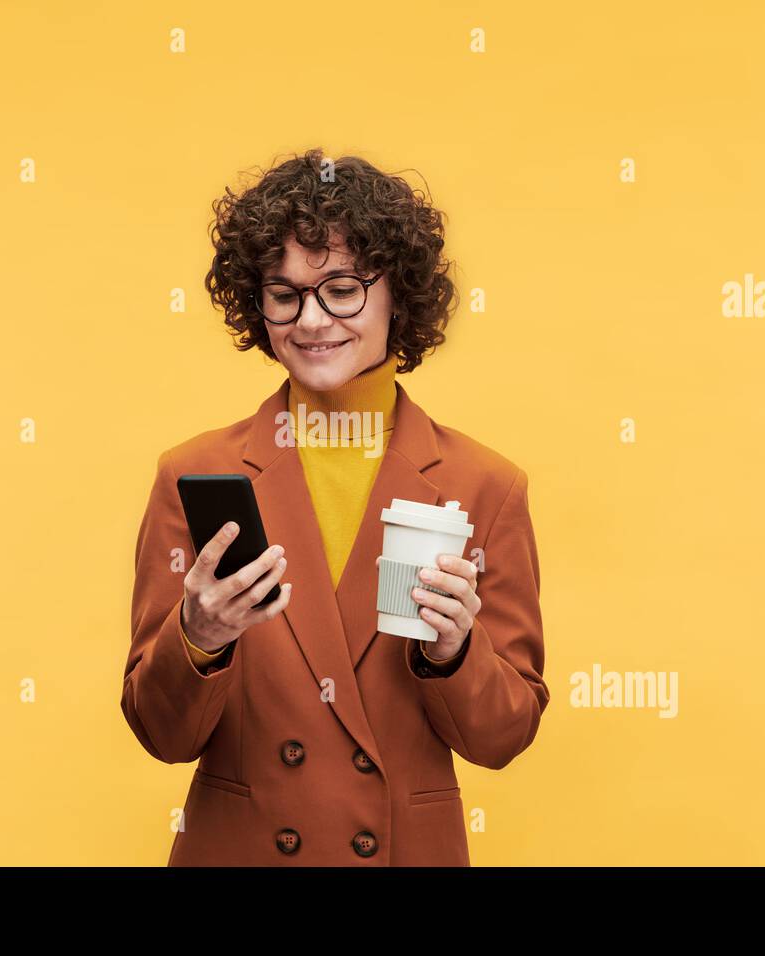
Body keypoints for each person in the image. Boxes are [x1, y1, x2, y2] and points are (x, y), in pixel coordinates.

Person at [122, 149, 549, 865]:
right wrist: (197, 636)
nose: (312, 320)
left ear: (397, 296)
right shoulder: (193, 474)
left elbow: (504, 738)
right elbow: (161, 734)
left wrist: (454, 655)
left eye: (342, 289)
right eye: (284, 293)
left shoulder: (486, 485)